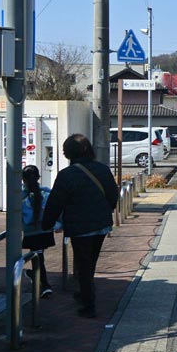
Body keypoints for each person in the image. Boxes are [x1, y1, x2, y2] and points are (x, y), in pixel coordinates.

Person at [42, 134, 118, 318]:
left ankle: (88, 304)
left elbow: (55, 202)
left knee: (83, 263)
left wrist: (47, 223)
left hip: (79, 226)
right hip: (101, 224)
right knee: (89, 262)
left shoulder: (67, 175)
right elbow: (113, 196)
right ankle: (83, 292)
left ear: (69, 153)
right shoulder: (102, 169)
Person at [21, 165, 57, 298]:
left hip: (31, 233)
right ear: (38, 178)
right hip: (46, 231)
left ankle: (45, 285)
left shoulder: (20, 196)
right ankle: (36, 276)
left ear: (23, 179)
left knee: (38, 257)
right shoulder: (46, 193)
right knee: (39, 256)